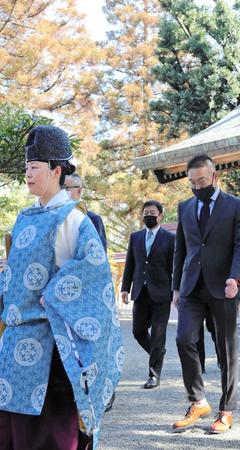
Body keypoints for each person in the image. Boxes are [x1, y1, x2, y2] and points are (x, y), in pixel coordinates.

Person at [0, 125, 123, 450]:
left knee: (49, 436)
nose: (27, 174)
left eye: (34, 167)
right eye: (26, 168)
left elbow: (93, 273)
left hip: (52, 349)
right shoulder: (24, 218)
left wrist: (54, 294)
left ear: (56, 170)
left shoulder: (73, 219)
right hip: (15, 346)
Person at [172, 154, 240, 434]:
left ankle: (226, 411)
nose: (197, 186)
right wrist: (176, 287)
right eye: (192, 182)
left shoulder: (236, 206)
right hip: (192, 286)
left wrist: (236, 277)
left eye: (201, 181)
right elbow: (181, 249)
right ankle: (198, 401)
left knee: (226, 351)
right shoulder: (185, 207)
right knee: (184, 339)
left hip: (224, 286)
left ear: (214, 177)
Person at [121, 200, 174, 389]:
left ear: (160, 216)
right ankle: (158, 352)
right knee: (138, 332)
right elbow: (130, 265)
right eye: (146, 213)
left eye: (152, 213)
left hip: (162, 294)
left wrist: (175, 291)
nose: (148, 216)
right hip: (141, 293)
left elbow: (173, 268)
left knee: (159, 335)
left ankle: (154, 375)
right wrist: (125, 288)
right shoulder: (135, 237)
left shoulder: (170, 238)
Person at [63, 173, 107, 252]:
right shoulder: (54, 217)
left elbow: (99, 256)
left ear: (79, 190)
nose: (61, 191)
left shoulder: (93, 219)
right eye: (59, 188)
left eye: (65, 187)